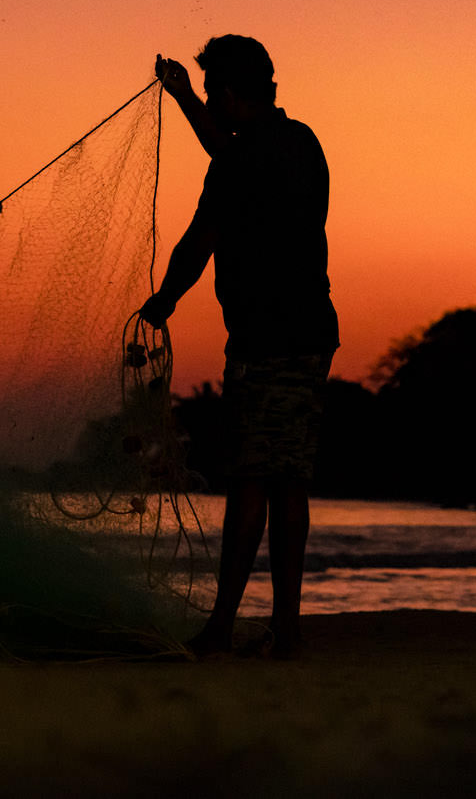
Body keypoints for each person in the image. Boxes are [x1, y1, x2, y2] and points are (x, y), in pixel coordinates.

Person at [140, 36, 337, 658]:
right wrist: (181, 97)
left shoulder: (238, 162)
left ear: (226, 94)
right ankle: (286, 626)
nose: (208, 104)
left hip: (266, 341)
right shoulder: (300, 141)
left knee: (254, 478)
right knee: (288, 477)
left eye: (208, 94)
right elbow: (226, 147)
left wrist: (161, 301)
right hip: (311, 335)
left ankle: (224, 626)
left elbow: (200, 238)